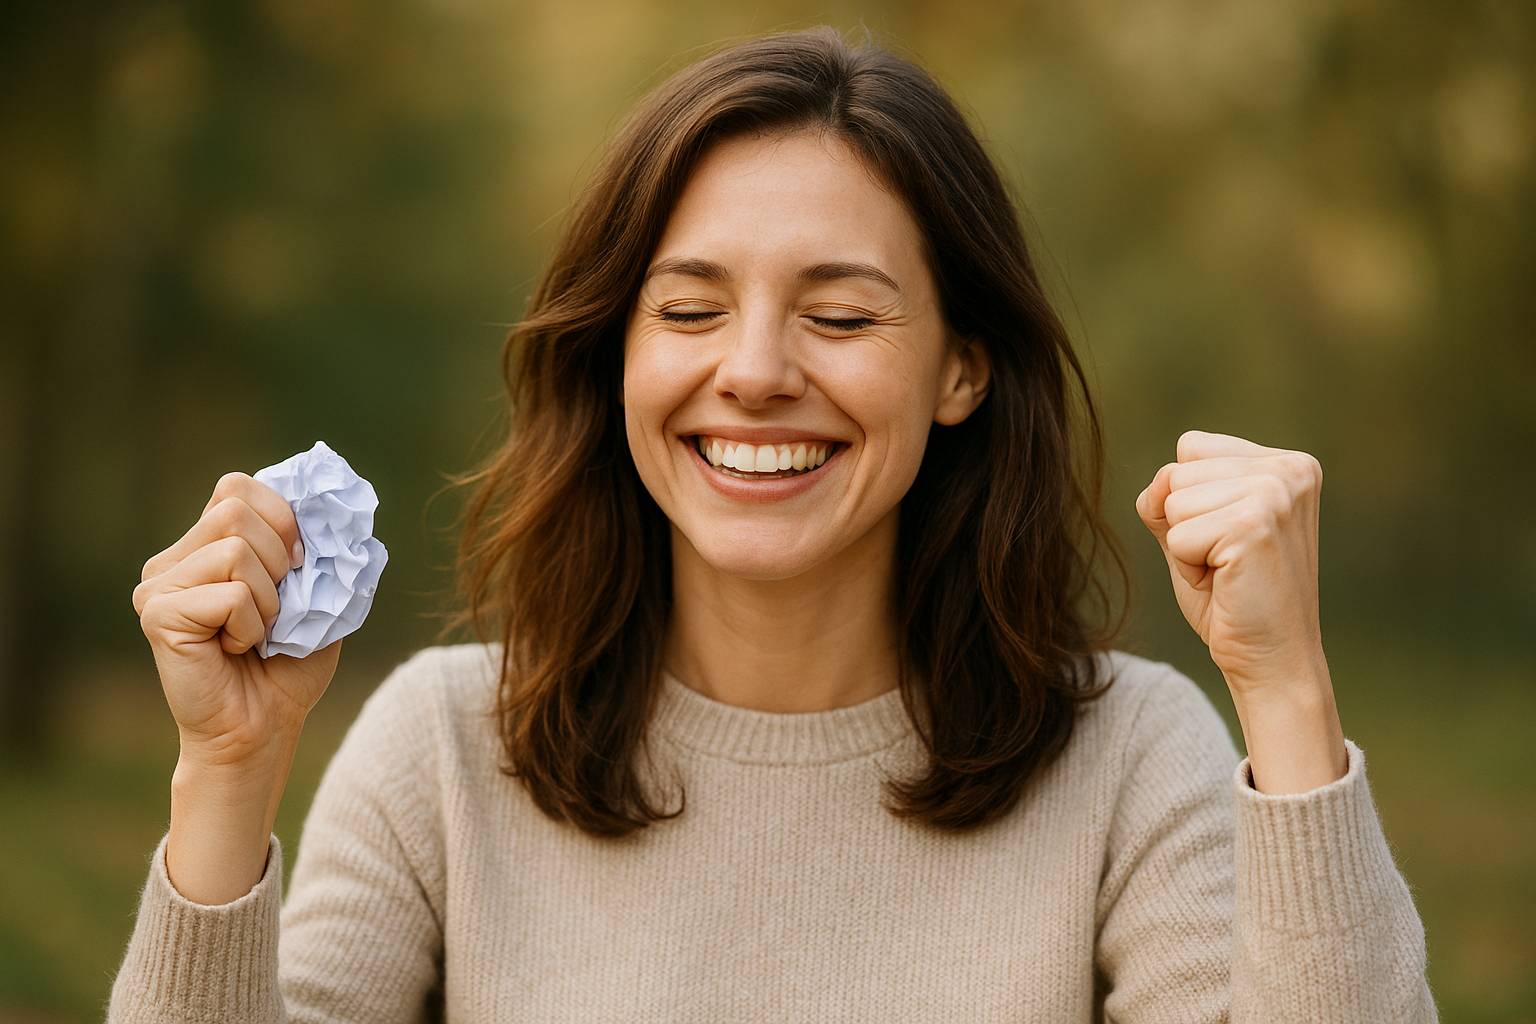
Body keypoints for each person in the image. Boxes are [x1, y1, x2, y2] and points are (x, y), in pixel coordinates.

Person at [108, 25, 1438, 1023]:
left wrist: (1287, 691)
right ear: (618, 354)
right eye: (689, 309)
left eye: (841, 315)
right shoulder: (442, 753)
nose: (752, 371)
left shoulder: (1132, 759)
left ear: (963, 367)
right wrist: (227, 769)